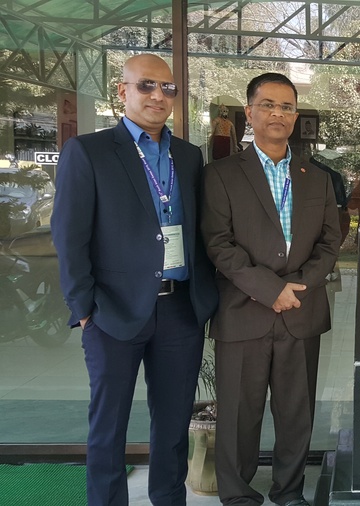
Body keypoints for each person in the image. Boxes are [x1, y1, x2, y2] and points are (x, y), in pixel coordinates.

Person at [51, 53, 218, 506]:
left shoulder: (188, 155)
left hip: (180, 310)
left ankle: (169, 499)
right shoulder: (88, 151)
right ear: (122, 91)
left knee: (172, 424)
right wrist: (84, 310)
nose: (158, 96)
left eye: (167, 88)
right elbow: (69, 237)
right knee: (109, 426)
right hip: (113, 313)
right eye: (146, 85)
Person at [202, 72, 341, 506]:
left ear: (295, 115)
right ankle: (238, 495)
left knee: (296, 414)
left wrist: (297, 287)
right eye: (267, 104)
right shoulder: (220, 174)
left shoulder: (317, 177)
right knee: (240, 415)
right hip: (243, 310)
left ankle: (289, 492)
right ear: (249, 112)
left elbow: (331, 241)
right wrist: (269, 289)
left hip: (300, 311)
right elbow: (219, 244)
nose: (277, 113)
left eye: (286, 106)